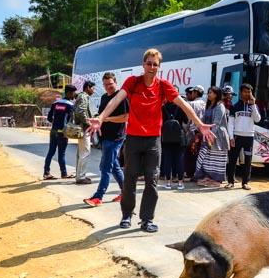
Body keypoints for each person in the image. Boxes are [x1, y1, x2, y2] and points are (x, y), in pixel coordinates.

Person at [88, 48, 214, 233]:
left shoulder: (163, 85)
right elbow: (116, 100)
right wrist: (101, 117)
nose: (152, 67)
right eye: (149, 63)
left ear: (159, 67)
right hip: (133, 139)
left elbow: (184, 104)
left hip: (153, 140)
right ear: (143, 64)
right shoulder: (133, 82)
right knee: (130, 179)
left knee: (151, 180)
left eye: (155, 64)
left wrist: (200, 124)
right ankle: (126, 214)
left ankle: (147, 219)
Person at [83, 73, 128, 207]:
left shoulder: (121, 97)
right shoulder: (103, 97)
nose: (108, 87)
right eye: (105, 85)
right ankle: (126, 192)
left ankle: (98, 197)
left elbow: (126, 117)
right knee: (114, 167)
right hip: (104, 137)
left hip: (115, 138)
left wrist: (106, 119)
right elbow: (100, 115)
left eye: (110, 84)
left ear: (116, 83)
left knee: (105, 168)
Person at [226, 83, 261, 190]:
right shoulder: (235, 106)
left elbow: (257, 119)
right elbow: (230, 123)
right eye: (245, 91)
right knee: (232, 160)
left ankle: (245, 182)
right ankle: (230, 181)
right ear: (241, 92)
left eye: (249, 92)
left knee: (248, 160)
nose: (248, 93)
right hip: (237, 136)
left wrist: (253, 105)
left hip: (249, 137)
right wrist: (231, 137)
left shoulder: (254, 106)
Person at [193, 86, 230, 188]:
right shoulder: (209, 106)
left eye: (211, 93)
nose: (209, 94)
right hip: (207, 135)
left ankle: (216, 180)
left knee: (216, 158)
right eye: (209, 92)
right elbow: (204, 121)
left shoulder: (220, 106)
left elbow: (216, 124)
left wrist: (210, 137)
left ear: (217, 94)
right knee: (206, 158)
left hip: (217, 136)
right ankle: (208, 177)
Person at [43, 85, 76, 180]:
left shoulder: (55, 103)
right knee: (61, 153)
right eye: (73, 93)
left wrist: (56, 123)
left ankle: (46, 173)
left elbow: (49, 118)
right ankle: (64, 173)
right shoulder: (70, 105)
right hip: (62, 132)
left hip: (53, 131)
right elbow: (71, 121)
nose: (74, 95)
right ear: (69, 93)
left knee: (51, 152)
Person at [161, 95, 188, 189]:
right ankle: (180, 183)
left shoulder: (163, 108)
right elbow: (186, 120)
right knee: (179, 160)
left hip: (166, 138)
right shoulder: (180, 107)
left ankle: (168, 183)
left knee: (167, 160)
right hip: (179, 138)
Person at [74, 80, 96, 185]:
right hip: (84, 128)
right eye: (93, 88)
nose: (94, 91)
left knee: (81, 153)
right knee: (85, 152)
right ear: (88, 87)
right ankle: (81, 177)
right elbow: (81, 111)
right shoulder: (83, 97)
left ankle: (79, 175)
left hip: (82, 128)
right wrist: (88, 122)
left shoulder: (82, 96)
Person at [184, 85, 205, 179]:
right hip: (202, 132)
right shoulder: (205, 104)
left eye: (192, 92)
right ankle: (198, 173)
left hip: (192, 132)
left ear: (196, 93)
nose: (191, 93)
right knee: (199, 154)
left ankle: (190, 173)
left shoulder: (191, 104)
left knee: (190, 153)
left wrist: (185, 130)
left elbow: (187, 121)